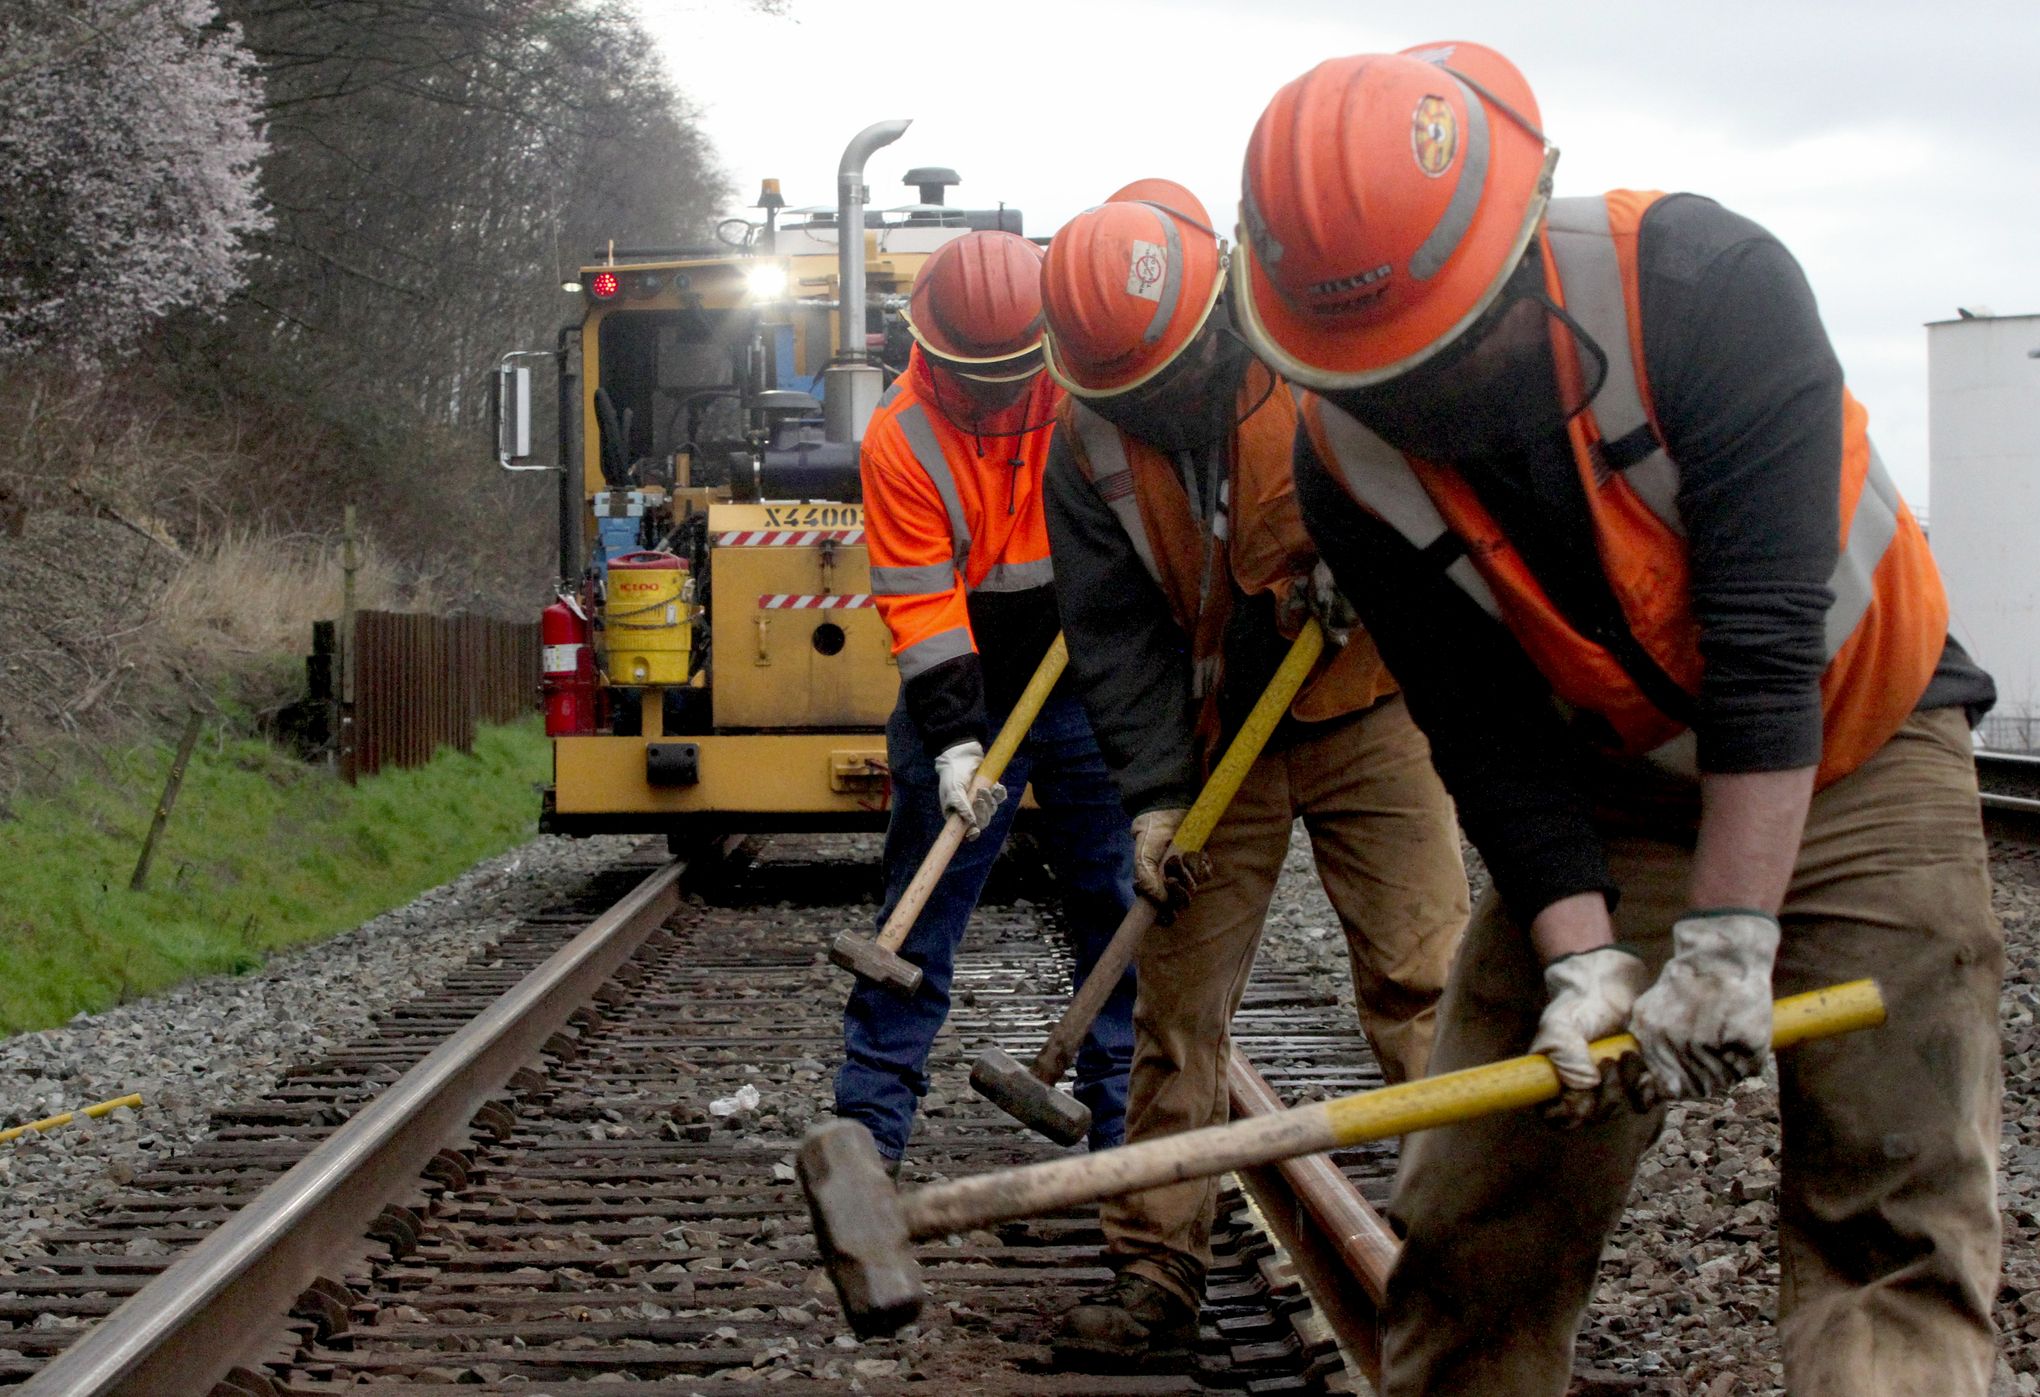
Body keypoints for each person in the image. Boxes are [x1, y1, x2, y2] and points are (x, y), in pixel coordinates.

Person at [1231, 40, 2004, 1396]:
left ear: (1528, 232)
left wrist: (1731, 936)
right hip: (1620, 792)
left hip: (1864, 755)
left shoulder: (1707, 289)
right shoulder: (1344, 458)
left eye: (1445, 350)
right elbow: (1485, 737)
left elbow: (1768, 648)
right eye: (1377, 369)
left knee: (1889, 1211)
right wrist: (1583, 955)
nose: (1418, 397)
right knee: (1477, 1208)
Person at [1034, 180, 1470, 1368]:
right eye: (1133, 392)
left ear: (1216, 306)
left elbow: (1441, 489)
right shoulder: (1087, 445)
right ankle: (1155, 1271)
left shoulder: (1325, 350)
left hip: (1371, 705)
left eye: (1172, 378)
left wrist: (1372, 557)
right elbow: (1115, 633)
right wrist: (1155, 795)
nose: (1160, 404)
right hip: (1218, 734)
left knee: (1423, 979)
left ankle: (1479, 1267)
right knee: (1178, 1008)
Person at [836, 228, 1137, 1169]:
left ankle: (1126, 1128)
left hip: (1085, 674)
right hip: (968, 678)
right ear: (934, 350)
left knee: (1116, 898)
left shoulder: (1088, 390)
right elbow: (924, 606)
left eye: (1017, 368)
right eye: (982, 373)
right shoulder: (903, 434)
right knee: (918, 918)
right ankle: (868, 1137)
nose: (1002, 391)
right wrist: (958, 741)